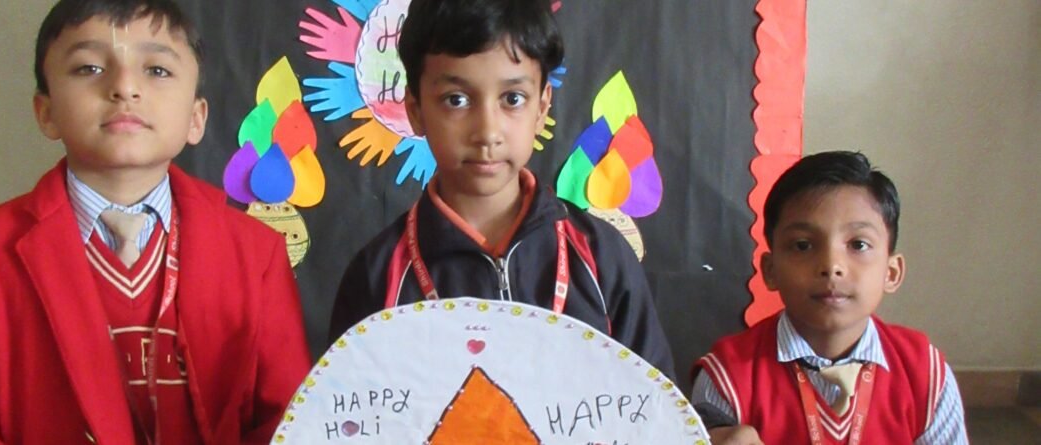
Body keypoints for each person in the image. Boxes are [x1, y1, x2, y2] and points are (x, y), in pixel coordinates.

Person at [0, 1, 311, 443]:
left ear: (196, 118)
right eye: (89, 68)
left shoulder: (256, 252)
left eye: (157, 70)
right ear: (46, 112)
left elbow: (291, 424)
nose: (124, 87)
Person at [329, 0, 674, 376]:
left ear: (542, 107)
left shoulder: (601, 258)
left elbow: (655, 402)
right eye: (456, 100)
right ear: (415, 110)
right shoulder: (377, 277)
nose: (487, 132)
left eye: (513, 99)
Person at [691, 151, 967, 444]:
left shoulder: (926, 375)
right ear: (770, 271)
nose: (831, 265)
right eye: (802, 245)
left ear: (891, 272)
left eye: (858, 244)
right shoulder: (726, 378)